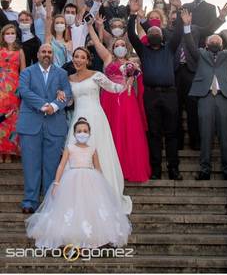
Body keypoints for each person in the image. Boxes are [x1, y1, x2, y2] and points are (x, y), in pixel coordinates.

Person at [25, 118, 131, 249]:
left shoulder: (92, 149)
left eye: (85, 131)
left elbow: (98, 168)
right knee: (72, 206)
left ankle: (95, 237)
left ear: (89, 133)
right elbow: (61, 166)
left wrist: (102, 185)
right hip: (72, 179)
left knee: (91, 206)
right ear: (74, 133)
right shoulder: (69, 148)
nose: (82, 133)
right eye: (79, 131)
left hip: (91, 179)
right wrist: (57, 183)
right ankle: (69, 236)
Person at [65, 45, 132, 213]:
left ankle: (104, 194)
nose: (78, 60)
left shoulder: (97, 76)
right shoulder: (69, 79)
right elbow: (70, 103)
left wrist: (127, 78)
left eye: (82, 57)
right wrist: (62, 96)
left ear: (87, 60)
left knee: (100, 152)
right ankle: (78, 197)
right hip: (78, 120)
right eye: (76, 56)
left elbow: (115, 88)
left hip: (96, 118)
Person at [182, 10, 227, 181]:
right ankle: (204, 170)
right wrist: (187, 26)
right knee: (206, 135)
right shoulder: (201, 54)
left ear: (222, 45)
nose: (215, 41)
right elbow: (189, 45)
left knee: (226, 136)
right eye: (212, 40)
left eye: (218, 40)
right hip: (205, 97)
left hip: (224, 98)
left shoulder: (226, 56)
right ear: (206, 44)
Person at [127, 0, 184, 180]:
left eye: (156, 32)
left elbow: (177, 34)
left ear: (162, 35)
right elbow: (131, 35)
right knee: (154, 134)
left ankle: (174, 169)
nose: (153, 34)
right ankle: (156, 170)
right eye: (150, 32)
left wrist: (178, 9)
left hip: (170, 95)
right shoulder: (143, 51)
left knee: (172, 133)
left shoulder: (169, 48)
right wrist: (132, 14)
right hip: (151, 95)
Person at [90, 16, 150, 183]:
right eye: (117, 46)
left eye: (123, 45)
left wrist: (137, 18)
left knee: (129, 131)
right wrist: (91, 27)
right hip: (109, 99)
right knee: (111, 131)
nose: (120, 47)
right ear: (113, 48)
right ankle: (109, 169)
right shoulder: (108, 59)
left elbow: (142, 38)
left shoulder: (133, 61)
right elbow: (97, 43)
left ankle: (128, 168)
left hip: (128, 99)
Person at [16, 43, 72, 213]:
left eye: (49, 52)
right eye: (43, 52)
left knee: (51, 165)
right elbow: (24, 91)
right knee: (31, 164)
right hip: (30, 124)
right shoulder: (27, 72)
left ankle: (49, 202)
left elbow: (67, 93)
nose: (46, 54)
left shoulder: (62, 73)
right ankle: (30, 201)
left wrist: (54, 107)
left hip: (54, 125)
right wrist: (44, 105)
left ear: (53, 55)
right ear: (38, 54)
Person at [0, 23, 25, 162]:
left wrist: (23, 89)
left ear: (16, 35)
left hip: (14, 89)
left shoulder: (20, 51)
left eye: (12, 33)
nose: (10, 35)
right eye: (7, 33)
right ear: (3, 35)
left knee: (12, 120)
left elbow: (24, 71)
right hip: (1, 88)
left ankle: (9, 152)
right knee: (1, 120)